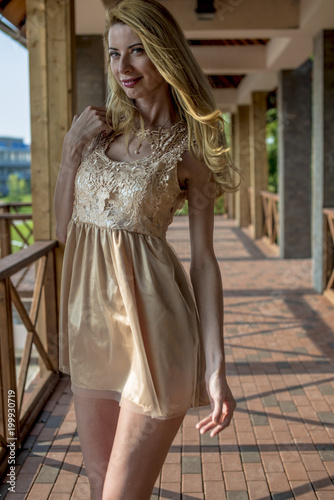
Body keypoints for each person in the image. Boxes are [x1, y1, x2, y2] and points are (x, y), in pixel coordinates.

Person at [54, 0, 240, 498]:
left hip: (156, 336)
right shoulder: (98, 135)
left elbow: (204, 262)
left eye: (137, 51)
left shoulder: (191, 151)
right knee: (99, 487)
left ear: (165, 52)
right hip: (91, 330)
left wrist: (217, 368)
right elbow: (64, 235)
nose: (124, 67)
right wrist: (70, 156)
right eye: (115, 54)